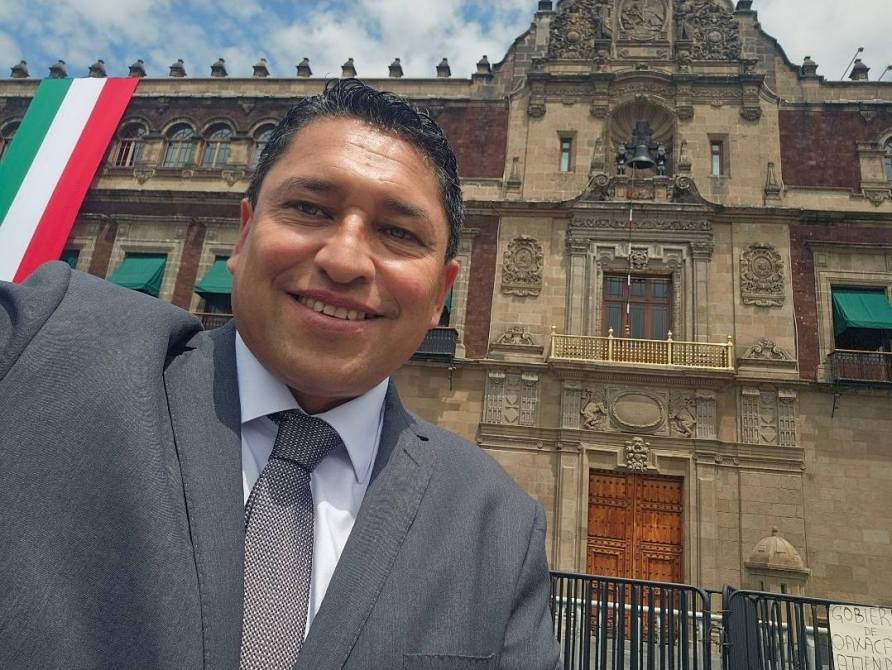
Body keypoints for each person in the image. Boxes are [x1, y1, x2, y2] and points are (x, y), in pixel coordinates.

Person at [0, 79, 560, 669]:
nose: (343, 261)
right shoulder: (43, 348)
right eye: (309, 209)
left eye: (398, 232)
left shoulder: (498, 526)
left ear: (440, 295)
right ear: (242, 236)